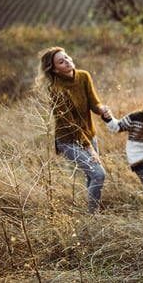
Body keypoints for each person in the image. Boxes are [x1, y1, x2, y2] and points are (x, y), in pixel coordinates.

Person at [36, 47, 110, 214]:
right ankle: (92, 216)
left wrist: (102, 109)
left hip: (89, 133)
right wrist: (89, 149)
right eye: (61, 62)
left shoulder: (83, 76)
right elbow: (69, 124)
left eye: (67, 57)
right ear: (55, 69)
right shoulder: (55, 89)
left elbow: (94, 102)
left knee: (91, 176)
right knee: (99, 174)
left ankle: (92, 211)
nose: (68, 61)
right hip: (68, 139)